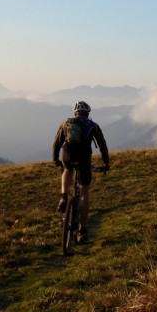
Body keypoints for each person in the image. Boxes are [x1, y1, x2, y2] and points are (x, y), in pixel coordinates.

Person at [52, 101, 109, 243]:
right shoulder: (93, 126)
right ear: (88, 113)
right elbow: (102, 145)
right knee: (84, 193)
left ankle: (63, 197)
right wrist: (106, 163)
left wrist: (55, 160)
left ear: (75, 113)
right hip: (84, 158)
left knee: (67, 169)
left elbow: (56, 143)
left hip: (67, 154)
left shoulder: (66, 123)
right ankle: (82, 231)